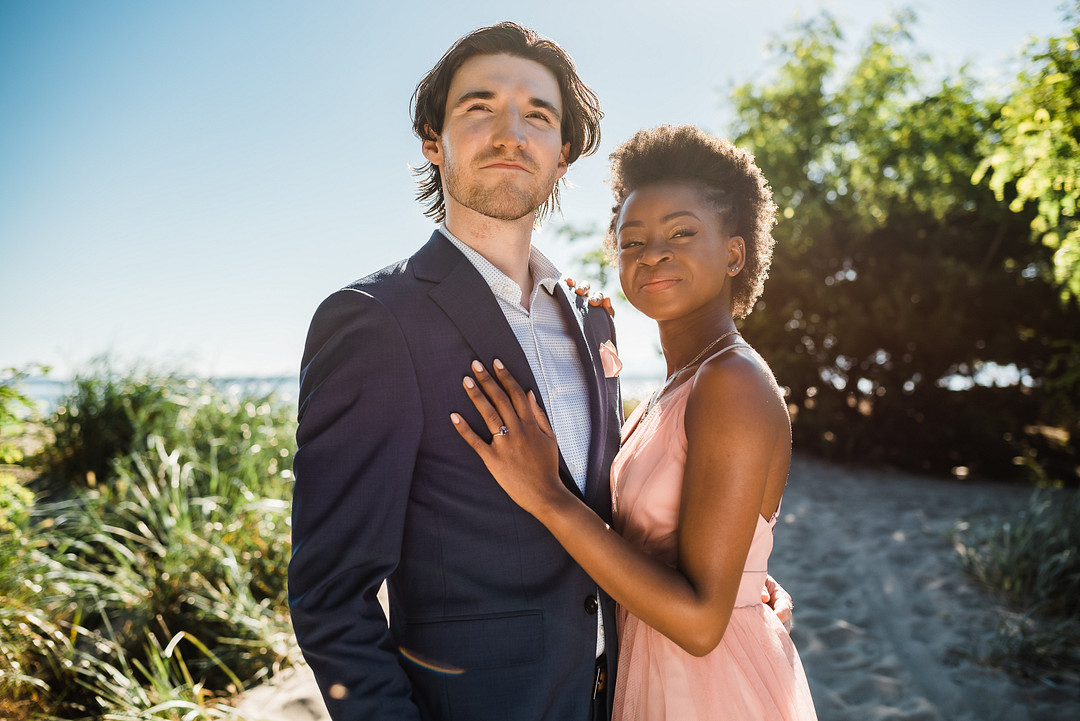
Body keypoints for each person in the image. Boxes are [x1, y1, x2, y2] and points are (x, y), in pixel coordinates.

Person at [290, 21, 790, 720]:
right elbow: (329, 596)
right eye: (479, 107)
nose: (509, 132)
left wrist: (740, 583)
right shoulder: (373, 321)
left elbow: (626, 512)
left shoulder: (593, 322)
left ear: (562, 157)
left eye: (538, 115)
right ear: (433, 141)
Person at [452, 125, 817, 720]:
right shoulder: (674, 388)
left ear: (734, 253)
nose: (652, 254)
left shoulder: (733, 383)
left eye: (681, 232)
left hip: (708, 687)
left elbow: (700, 622)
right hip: (654, 672)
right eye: (632, 241)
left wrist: (547, 496)